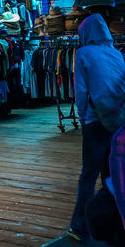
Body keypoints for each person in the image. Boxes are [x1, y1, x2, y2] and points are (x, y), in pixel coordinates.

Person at [68, 14, 125, 242]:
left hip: (95, 122)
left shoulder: (82, 54)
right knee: (111, 176)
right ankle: (114, 221)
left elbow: (81, 92)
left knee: (89, 175)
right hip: (118, 122)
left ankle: (80, 225)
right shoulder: (117, 54)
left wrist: (82, 118)